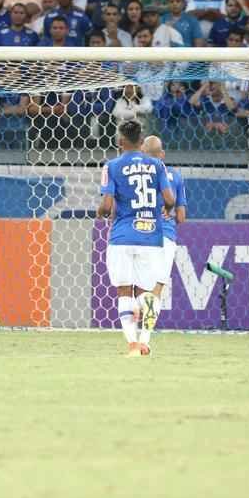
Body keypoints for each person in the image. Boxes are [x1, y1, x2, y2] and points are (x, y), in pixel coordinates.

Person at [97, 119, 176, 357]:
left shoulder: (111, 166)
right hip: (151, 238)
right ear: (142, 142)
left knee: (124, 291)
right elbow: (170, 200)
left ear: (120, 142)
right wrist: (166, 210)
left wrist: (101, 212)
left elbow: (107, 204)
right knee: (146, 294)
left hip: (122, 236)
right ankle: (145, 341)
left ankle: (132, 344)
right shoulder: (158, 166)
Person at [142, 136, 187, 307]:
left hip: (140, 233)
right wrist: (170, 213)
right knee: (156, 289)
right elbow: (181, 218)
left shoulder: (137, 176)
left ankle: (133, 327)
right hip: (166, 235)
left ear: (142, 153)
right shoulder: (175, 176)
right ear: (162, 154)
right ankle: (146, 331)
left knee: (139, 286)